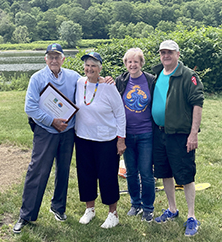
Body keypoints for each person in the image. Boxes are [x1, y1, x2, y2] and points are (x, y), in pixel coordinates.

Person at [13, 43, 81, 234]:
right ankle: (26, 215)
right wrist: (52, 121)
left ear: (63, 59)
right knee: (38, 171)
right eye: (50, 56)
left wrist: (104, 79)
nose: (54, 60)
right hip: (45, 131)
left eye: (57, 56)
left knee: (63, 170)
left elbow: (89, 86)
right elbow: (31, 108)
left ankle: (58, 207)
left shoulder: (74, 77)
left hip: (68, 131)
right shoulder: (37, 78)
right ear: (45, 59)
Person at [151, 40, 204, 236]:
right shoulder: (157, 74)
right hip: (159, 132)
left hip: (180, 135)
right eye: (163, 52)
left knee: (186, 174)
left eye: (170, 52)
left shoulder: (188, 75)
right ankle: (172, 209)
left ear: (178, 54)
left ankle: (191, 216)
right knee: (165, 172)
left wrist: (193, 133)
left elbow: (197, 103)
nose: (166, 55)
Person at [74, 52, 126, 229]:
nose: (89, 68)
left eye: (93, 65)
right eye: (87, 65)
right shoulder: (80, 82)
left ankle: (113, 213)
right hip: (83, 138)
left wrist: (121, 139)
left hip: (106, 140)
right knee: (86, 174)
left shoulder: (109, 87)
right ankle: (90, 209)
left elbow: (120, 114)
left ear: (100, 68)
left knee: (108, 176)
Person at [115, 48, 155, 222]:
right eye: (129, 62)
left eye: (136, 61)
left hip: (146, 133)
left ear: (141, 63)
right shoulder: (120, 81)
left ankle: (148, 208)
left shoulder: (151, 80)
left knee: (146, 173)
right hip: (127, 134)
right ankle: (135, 204)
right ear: (125, 64)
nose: (132, 65)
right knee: (131, 172)